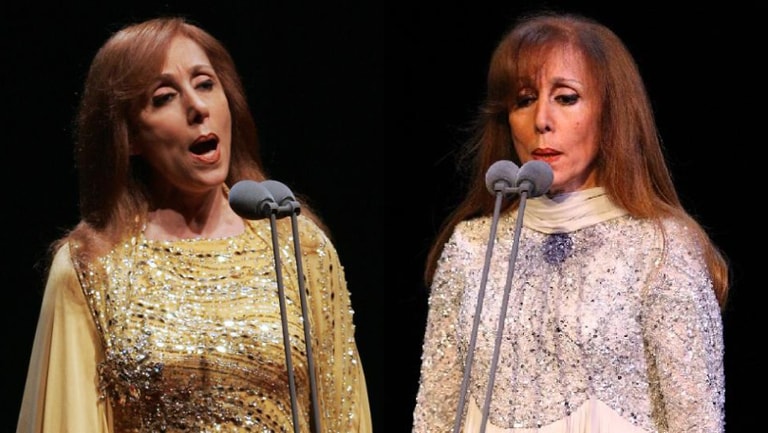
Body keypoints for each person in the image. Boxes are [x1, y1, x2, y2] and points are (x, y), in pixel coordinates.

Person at [16, 16, 371, 433]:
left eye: (205, 84)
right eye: (164, 97)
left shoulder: (299, 246)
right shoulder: (92, 265)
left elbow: (343, 413)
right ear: (129, 136)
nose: (198, 108)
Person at [412, 11, 728, 433]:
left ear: (610, 113)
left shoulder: (661, 248)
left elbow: (697, 423)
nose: (541, 120)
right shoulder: (471, 248)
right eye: (524, 100)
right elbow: (434, 416)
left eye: (565, 98)